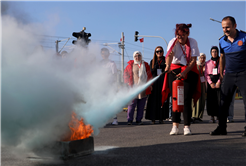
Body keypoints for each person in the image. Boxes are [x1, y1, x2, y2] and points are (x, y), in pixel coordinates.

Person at [210, 16, 246, 136]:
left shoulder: (244, 37)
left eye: (228, 27)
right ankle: (221, 128)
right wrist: (221, 73)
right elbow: (222, 57)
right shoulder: (221, 41)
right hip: (229, 75)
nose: (225, 30)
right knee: (223, 102)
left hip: (243, 74)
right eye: (223, 28)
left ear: (235, 26)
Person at [162, 23, 200, 135]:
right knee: (175, 98)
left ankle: (187, 126)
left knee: (186, 98)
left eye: (182, 35)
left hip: (188, 69)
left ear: (188, 34)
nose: (180, 38)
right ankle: (175, 126)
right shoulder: (172, 41)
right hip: (174, 69)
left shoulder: (193, 42)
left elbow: (193, 60)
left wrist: (184, 72)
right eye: (178, 36)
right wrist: (167, 66)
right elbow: (169, 55)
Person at [124, 51, 152, 125]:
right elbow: (125, 74)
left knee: (141, 105)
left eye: (139, 55)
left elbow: (149, 75)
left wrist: (150, 85)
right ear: (133, 57)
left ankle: (139, 120)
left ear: (141, 56)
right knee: (131, 104)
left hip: (143, 88)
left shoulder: (145, 65)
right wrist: (127, 83)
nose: (137, 57)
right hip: (133, 88)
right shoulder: (130, 65)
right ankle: (129, 120)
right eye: (136, 56)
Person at [145, 46, 169, 124]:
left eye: (160, 51)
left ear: (163, 52)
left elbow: (168, 70)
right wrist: (150, 84)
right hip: (154, 83)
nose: (159, 53)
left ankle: (161, 118)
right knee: (153, 101)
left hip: (163, 82)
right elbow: (150, 73)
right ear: (155, 53)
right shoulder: (152, 61)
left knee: (162, 100)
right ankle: (153, 118)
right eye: (157, 51)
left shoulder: (166, 60)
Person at [100, 48, 118, 125]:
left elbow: (115, 75)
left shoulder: (112, 63)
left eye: (105, 53)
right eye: (102, 54)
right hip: (101, 86)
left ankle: (115, 119)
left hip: (110, 86)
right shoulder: (99, 63)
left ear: (108, 54)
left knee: (111, 103)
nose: (104, 55)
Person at [205, 46, 221, 123]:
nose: (214, 53)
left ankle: (218, 117)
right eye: (213, 52)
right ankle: (212, 116)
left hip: (218, 81)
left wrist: (219, 82)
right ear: (210, 53)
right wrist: (210, 83)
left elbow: (223, 72)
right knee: (211, 100)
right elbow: (206, 74)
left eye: (215, 51)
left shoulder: (221, 61)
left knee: (218, 100)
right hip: (211, 81)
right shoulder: (208, 63)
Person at [192, 53, 206, 122]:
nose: (202, 59)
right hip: (196, 84)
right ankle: (194, 116)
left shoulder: (205, 66)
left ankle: (199, 116)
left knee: (202, 100)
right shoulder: (196, 65)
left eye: (203, 58)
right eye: (201, 58)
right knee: (196, 100)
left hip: (203, 84)